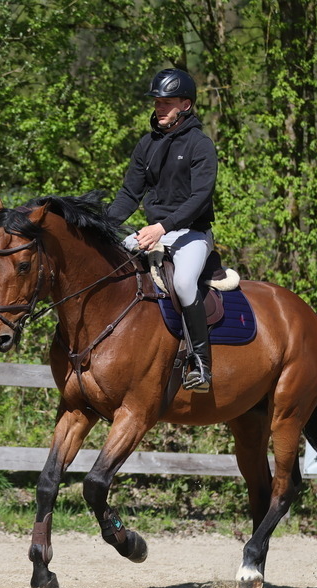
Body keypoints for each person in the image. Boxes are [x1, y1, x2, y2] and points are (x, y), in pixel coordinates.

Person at [107, 68, 218, 393]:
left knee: (184, 283)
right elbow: (129, 194)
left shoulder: (201, 145)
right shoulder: (147, 144)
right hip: (154, 232)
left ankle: (200, 364)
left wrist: (162, 227)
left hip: (192, 234)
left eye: (166, 103)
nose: (159, 108)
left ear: (185, 104)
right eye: (157, 102)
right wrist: (102, 226)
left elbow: (200, 199)